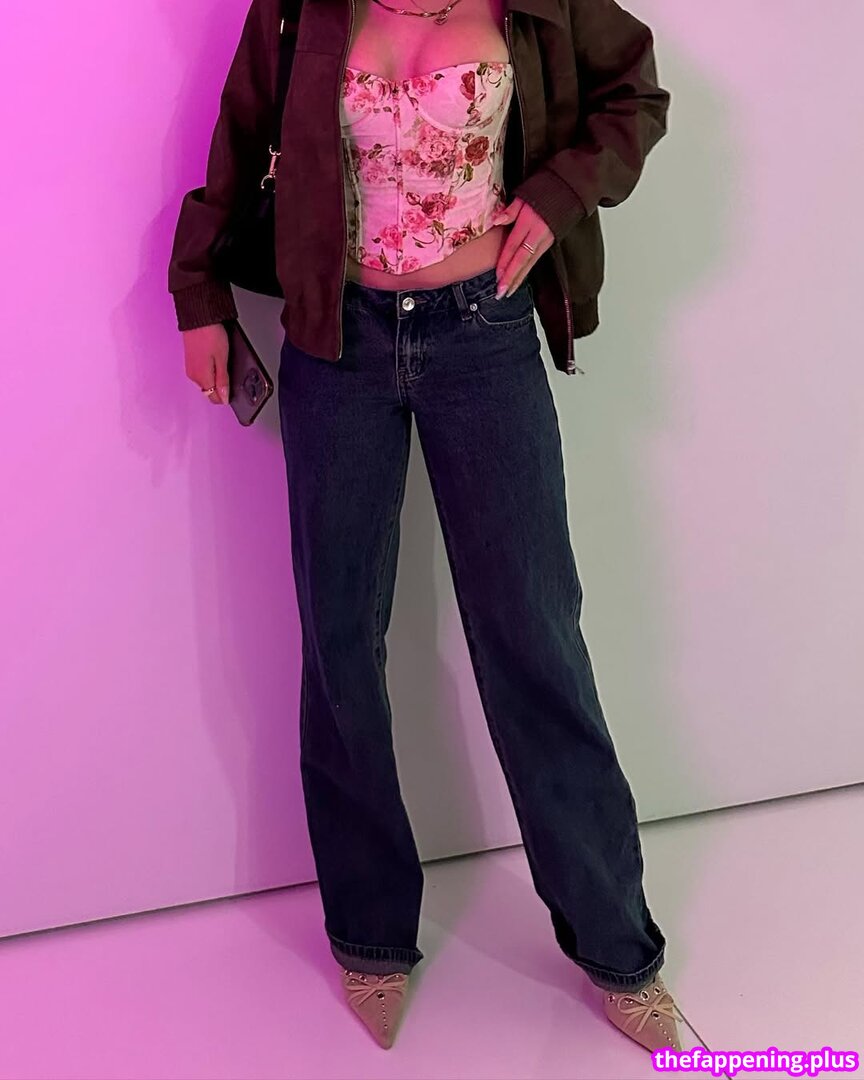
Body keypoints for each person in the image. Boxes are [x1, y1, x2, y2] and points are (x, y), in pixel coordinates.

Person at [168, 0, 680, 1054]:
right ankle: (370, 937)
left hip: (484, 338)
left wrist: (559, 190)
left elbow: (635, 94)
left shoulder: (536, 2)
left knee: (534, 639)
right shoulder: (299, 8)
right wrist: (198, 292)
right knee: (341, 644)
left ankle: (617, 948)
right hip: (336, 343)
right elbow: (240, 139)